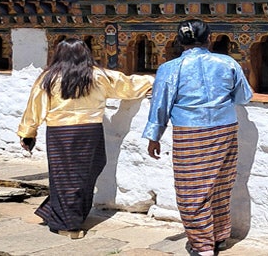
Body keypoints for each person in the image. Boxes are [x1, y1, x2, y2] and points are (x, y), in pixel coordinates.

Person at [18, 37, 152, 237]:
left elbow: (35, 108)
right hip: (89, 132)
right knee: (84, 174)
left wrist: (28, 132)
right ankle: (67, 223)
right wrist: (152, 81)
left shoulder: (48, 77)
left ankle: (62, 217)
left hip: (60, 134)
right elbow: (126, 85)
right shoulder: (97, 76)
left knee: (64, 176)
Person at [144, 20, 252, 256]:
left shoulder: (170, 68)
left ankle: (202, 245)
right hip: (225, 130)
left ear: (179, 41)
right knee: (220, 184)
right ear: (209, 39)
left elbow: (160, 105)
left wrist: (154, 136)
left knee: (191, 189)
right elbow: (244, 96)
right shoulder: (227, 63)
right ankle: (219, 237)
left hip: (190, 134)